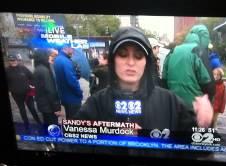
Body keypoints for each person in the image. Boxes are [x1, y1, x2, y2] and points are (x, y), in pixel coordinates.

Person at [75, 26, 213, 131]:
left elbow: (197, 147)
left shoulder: (170, 102)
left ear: (146, 62)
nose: (130, 62)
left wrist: (204, 126)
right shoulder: (96, 103)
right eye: (123, 55)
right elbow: (71, 146)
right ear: (113, 60)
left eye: (138, 56)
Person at [162, 24, 215, 109]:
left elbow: (164, 80)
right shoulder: (198, 51)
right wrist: (210, 99)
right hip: (194, 108)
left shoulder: (173, 51)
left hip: (174, 105)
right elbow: (208, 83)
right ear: (204, 37)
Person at [5, 54, 41, 132]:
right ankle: (27, 126)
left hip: (27, 93)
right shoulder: (7, 70)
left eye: (14, 60)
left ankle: (39, 123)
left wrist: (31, 85)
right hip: (16, 94)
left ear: (17, 60)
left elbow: (32, 77)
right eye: (11, 60)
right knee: (22, 109)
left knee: (32, 108)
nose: (13, 62)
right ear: (9, 61)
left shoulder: (23, 68)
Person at [33, 49, 62, 129]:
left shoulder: (38, 68)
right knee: (53, 126)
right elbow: (50, 91)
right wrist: (56, 108)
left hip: (44, 105)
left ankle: (50, 141)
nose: (51, 57)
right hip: (49, 106)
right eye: (49, 55)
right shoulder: (44, 71)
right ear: (43, 57)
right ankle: (54, 141)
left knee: (48, 125)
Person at [54, 45, 83, 119]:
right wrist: (79, 92)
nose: (73, 50)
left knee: (69, 118)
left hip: (64, 96)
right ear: (66, 48)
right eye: (72, 48)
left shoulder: (58, 59)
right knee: (75, 120)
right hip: (72, 98)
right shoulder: (65, 61)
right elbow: (71, 81)